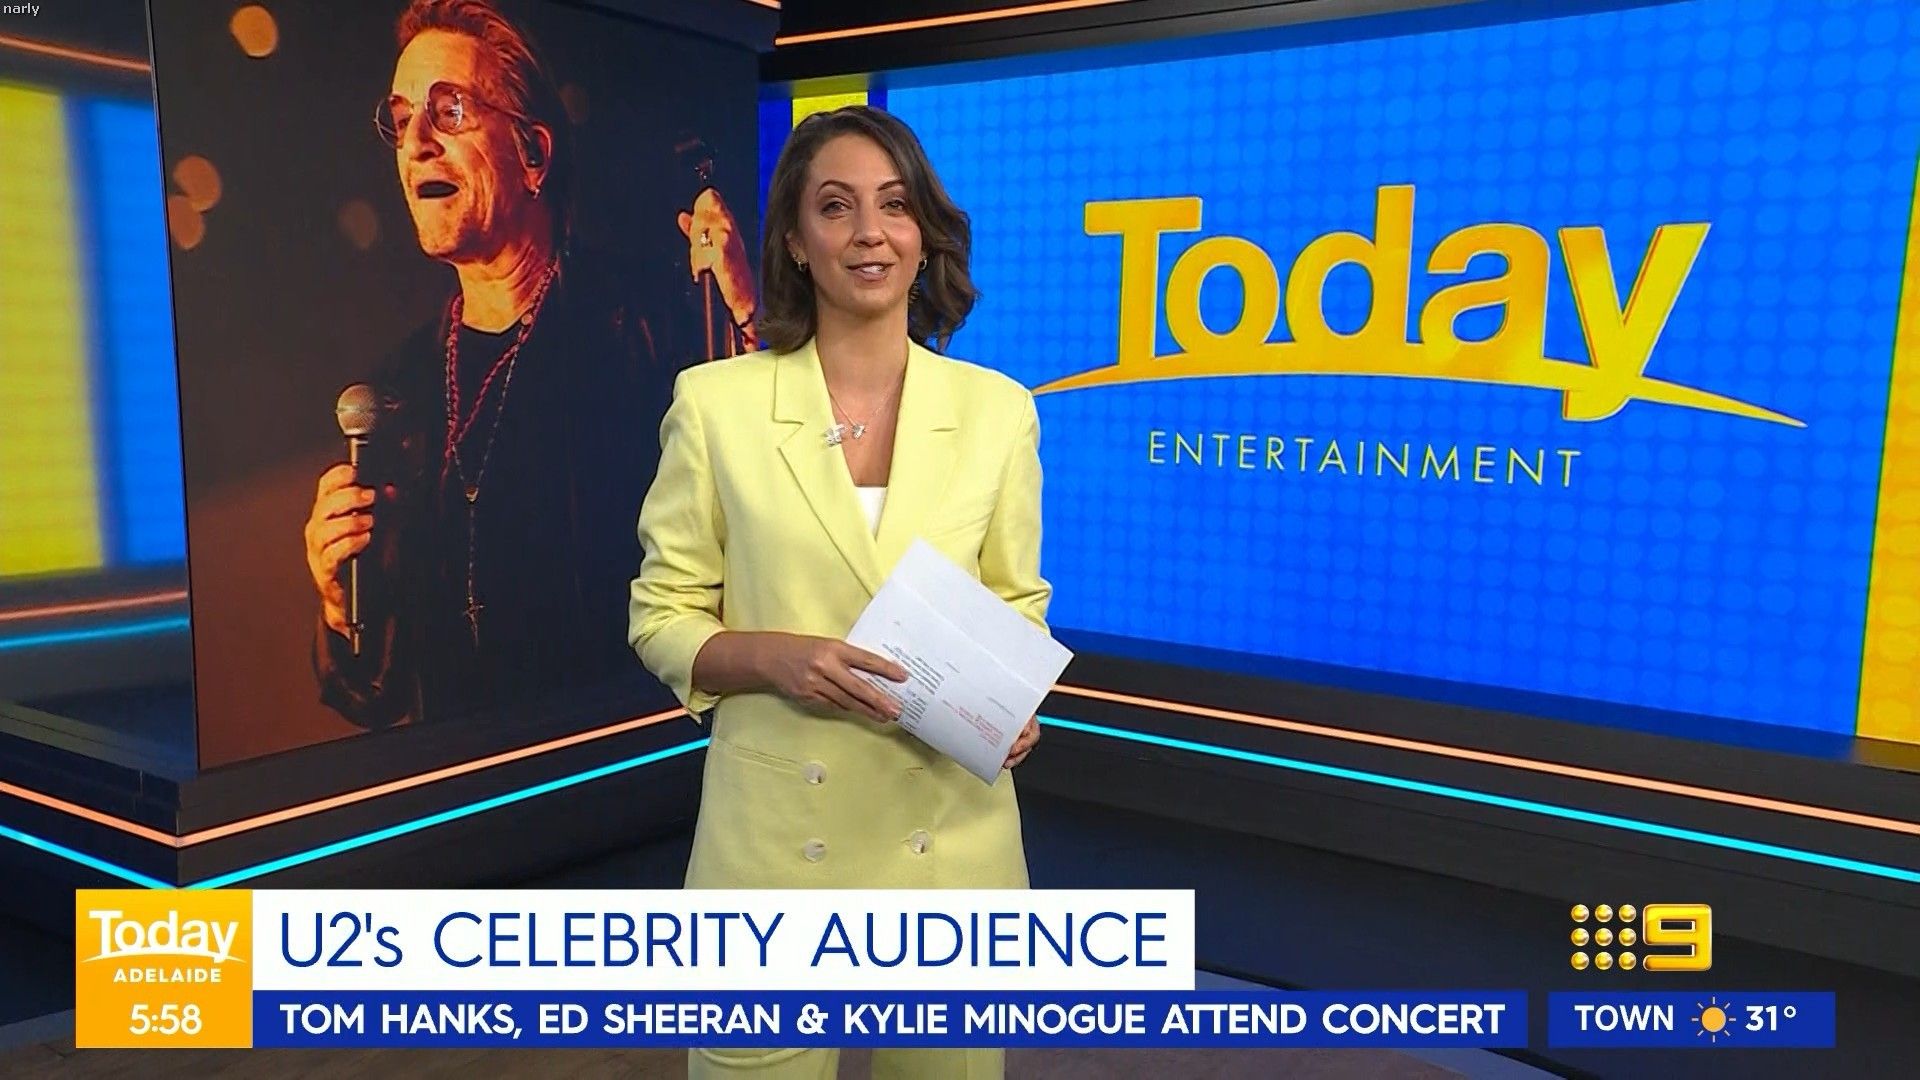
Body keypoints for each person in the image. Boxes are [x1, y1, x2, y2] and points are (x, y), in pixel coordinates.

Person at [628, 105, 1048, 1080]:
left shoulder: (998, 411)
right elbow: (661, 615)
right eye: (835, 206)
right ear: (793, 239)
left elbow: (1016, 602)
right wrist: (779, 659)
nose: (869, 232)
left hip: (948, 850)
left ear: (925, 233)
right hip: (776, 848)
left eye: (894, 206)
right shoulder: (716, 404)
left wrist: (1012, 703)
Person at [301, 0, 756, 728]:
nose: (415, 143)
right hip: (474, 782)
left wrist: (748, 323)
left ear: (533, 155)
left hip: (640, 759)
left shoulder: (653, 326)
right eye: (402, 119)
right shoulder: (397, 393)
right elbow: (376, 694)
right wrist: (338, 605)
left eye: (449, 111)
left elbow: (775, 530)